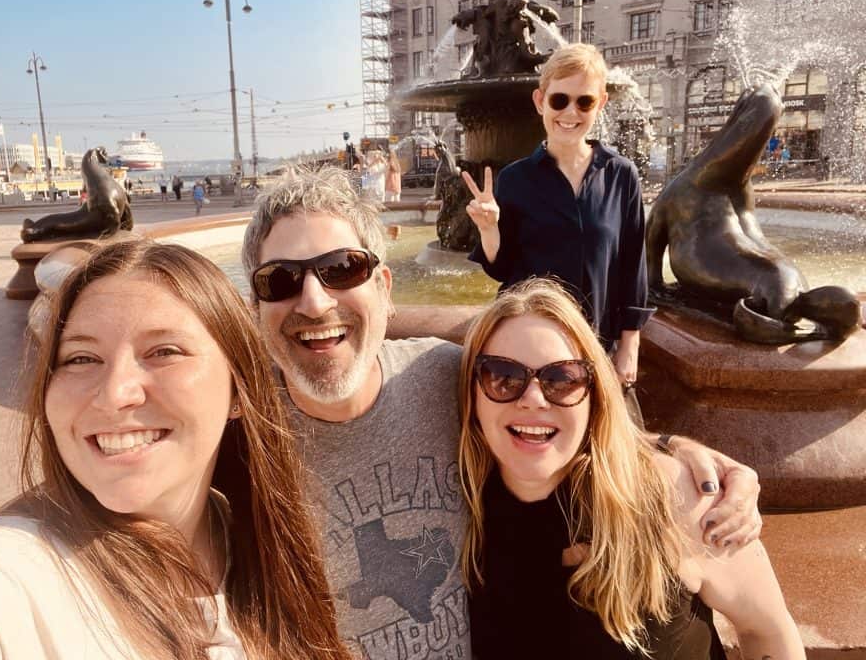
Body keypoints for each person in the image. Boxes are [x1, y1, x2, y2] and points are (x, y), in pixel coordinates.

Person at [241, 166, 763, 658]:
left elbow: (562, 415)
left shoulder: (445, 376)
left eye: (341, 269)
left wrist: (681, 456)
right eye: (280, 280)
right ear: (253, 306)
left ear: (384, 288)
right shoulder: (241, 442)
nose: (314, 302)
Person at [0, 239, 350, 660]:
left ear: (240, 390)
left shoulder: (252, 536)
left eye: (164, 351)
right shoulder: (8, 572)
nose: (114, 393)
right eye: (81, 358)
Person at [459, 279, 804, 659]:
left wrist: (670, 448)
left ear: (594, 396)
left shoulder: (674, 495)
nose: (533, 399)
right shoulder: (451, 496)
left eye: (562, 379)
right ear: (470, 394)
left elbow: (767, 630)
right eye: (503, 376)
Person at [463, 43, 651, 387]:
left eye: (584, 102)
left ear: (601, 104)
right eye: (559, 100)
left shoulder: (621, 175)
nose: (570, 112)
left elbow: (633, 266)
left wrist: (630, 346)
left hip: (596, 343)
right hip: (528, 348)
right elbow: (501, 269)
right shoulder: (515, 178)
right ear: (540, 101)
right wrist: (489, 229)